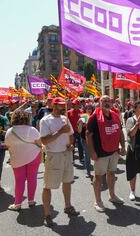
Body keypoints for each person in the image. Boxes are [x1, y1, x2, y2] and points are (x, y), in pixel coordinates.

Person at [40, 97, 79, 227]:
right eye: (60, 105)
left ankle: (68, 206)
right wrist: (60, 131)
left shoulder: (65, 119)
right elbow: (44, 141)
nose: (63, 107)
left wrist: (71, 145)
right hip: (54, 155)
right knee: (48, 185)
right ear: (54, 106)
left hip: (66, 154)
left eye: (64, 105)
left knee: (67, 181)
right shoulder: (45, 120)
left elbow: (71, 135)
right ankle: (47, 214)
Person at [86, 95, 126, 212]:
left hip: (114, 151)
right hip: (100, 153)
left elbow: (120, 132)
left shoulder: (115, 115)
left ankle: (112, 196)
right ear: (99, 103)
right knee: (98, 177)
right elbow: (88, 136)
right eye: (104, 101)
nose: (107, 103)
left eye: (108, 100)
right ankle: (97, 201)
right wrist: (92, 152)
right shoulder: (94, 118)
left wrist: (123, 146)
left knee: (112, 174)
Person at [4, 110, 42, 210]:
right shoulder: (32, 129)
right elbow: (39, 143)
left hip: (17, 158)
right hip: (34, 156)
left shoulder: (10, 131)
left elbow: (7, 144)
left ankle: (17, 204)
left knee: (19, 180)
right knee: (32, 178)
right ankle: (31, 200)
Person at [77, 104, 94, 179]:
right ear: (85, 109)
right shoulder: (83, 117)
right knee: (87, 155)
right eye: (87, 108)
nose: (89, 110)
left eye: (90, 108)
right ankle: (88, 171)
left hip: (94, 139)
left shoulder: (95, 116)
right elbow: (79, 130)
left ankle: (99, 171)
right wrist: (80, 123)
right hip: (84, 138)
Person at [68, 98, 84, 164]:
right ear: (73, 105)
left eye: (77, 104)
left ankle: (81, 158)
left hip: (80, 131)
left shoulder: (81, 111)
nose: (76, 106)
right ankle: (72, 158)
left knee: (81, 145)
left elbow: (84, 120)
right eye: (75, 104)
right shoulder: (69, 112)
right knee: (72, 145)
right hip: (72, 132)